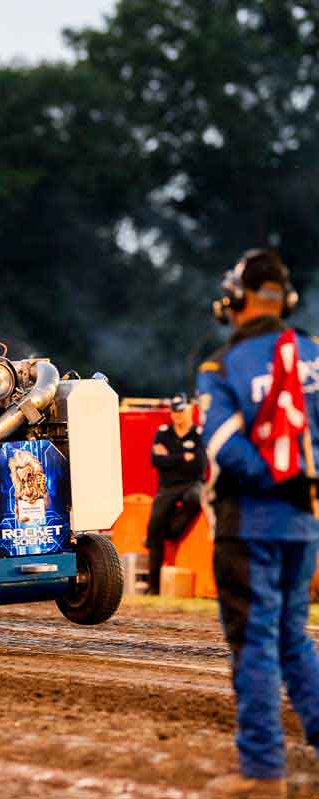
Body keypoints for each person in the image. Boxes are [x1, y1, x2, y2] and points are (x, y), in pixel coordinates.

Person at [197, 249, 319, 798]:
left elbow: (222, 446)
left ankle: (263, 771)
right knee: (294, 638)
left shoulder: (222, 366)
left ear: (239, 301)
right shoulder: (314, 353)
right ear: (285, 301)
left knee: (256, 645)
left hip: (248, 524)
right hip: (304, 525)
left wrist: (275, 477)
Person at [144, 393, 204, 595]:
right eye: (175, 411)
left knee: (195, 498)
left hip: (191, 483)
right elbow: (156, 461)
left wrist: (170, 458)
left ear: (189, 411)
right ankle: (154, 587)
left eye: (181, 411)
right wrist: (183, 458)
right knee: (154, 529)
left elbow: (199, 465)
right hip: (168, 486)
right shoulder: (163, 433)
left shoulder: (198, 433)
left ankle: (174, 531)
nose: (178, 415)